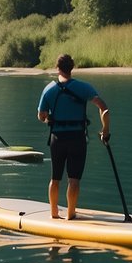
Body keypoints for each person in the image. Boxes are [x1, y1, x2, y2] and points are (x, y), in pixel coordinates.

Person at [37, 54, 110, 220]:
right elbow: (104, 108)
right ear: (72, 68)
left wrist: (49, 118)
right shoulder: (84, 88)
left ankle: (54, 214)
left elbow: (41, 116)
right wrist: (105, 130)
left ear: (57, 68)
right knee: (74, 179)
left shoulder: (48, 89)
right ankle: (71, 214)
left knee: (55, 178)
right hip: (77, 138)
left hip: (57, 138)